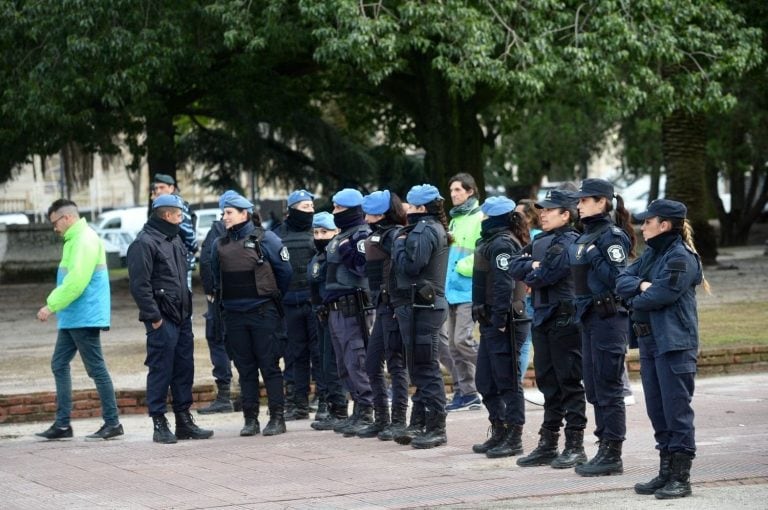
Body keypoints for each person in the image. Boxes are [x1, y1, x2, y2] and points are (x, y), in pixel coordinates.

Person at [616, 199, 706, 499]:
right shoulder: (653, 254)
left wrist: (636, 294)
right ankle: (666, 470)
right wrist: (642, 286)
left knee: (676, 410)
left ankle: (681, 476)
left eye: (647, 222)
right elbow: (621, 280)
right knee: (657, 410)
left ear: (664, 224)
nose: (642, 228)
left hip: (674, 343)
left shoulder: (680, 257)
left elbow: (662, 295)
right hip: (651, 341)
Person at [510, 189, 588, 469]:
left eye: (549, 210)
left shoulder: (570, 242)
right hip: (542, 318)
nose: (542, 213)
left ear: (566, 214)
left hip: (564, 320)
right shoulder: (540, 241)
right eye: (542, 209)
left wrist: (533, 269)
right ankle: (548, 443)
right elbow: (513, 266)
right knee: (547, 382)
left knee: (569, 382)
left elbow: (545, 276)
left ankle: (575, 445)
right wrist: (532, 263)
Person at [127, 193, 213, 444]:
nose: (181, 218)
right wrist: (154, 318)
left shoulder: (174, 240)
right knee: (161, 370)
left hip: (181, 317)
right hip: (162, 319)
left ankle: (183, 420)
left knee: (184, 369)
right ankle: (159, 422)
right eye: (178, 214)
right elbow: (139, 286)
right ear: (166, 215)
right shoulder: (144, 243)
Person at [34, 199, 123, 441]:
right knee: (59, 364)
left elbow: (76, 282)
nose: (55, 228)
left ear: (67, 218)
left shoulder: (83, 239)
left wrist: (50, 306)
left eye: (55, 222)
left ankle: (112, 422)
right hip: (74, 316)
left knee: (96, 369)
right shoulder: (75, 239)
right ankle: (63, 425)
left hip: (84, 316)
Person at [568, 178, 636, 476]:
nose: (578, 205)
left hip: (609, 318)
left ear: (602, 202)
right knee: (594, 386)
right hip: (589, 318)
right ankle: (602, 446)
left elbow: (617, 278)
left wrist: (595, 254)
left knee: (608, 385)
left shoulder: (611, 236)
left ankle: (613, 452)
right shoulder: (586, 234)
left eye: (584, 200)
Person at [211, 192, 293, 437]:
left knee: (269, 366)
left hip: (262, 313)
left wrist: (269, 295)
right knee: (245, 369)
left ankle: (277, 418)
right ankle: (250, 419)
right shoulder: (220, 244)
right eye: (224, 213)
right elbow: (217, 278)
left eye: (228, 213)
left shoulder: (266, 239)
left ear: (244, 213)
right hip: (235, 315)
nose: (224, 217)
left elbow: (285, 273)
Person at [469, 196, 531, 459]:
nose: (481, 220)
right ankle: (499, 427)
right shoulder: (490, 242)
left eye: (484, 216)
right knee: (485, 380)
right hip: (491, 321)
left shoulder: (504, 244)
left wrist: (500, 320)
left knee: (507, 381)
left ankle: (514, 435)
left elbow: (505, 284)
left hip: (505, 321)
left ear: (492, 218)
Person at [392, 184, 451, 449]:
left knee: (425, 367)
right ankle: (419, 421)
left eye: (409, 205)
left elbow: (412, 265)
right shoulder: (428, 227)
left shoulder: (423, 230)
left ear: (419, 207)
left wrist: (398, 246)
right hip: (419, 306)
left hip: (423, 307)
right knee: (418, 366)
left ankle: (436, 427)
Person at [355, 190, 410, 439]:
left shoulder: (394, 235)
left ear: (382, 214)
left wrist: (399, 303)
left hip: (393, 305)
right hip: (382, 304)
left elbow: (401, 271)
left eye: (371, 214)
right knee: (372, 362)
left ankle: (398, 419)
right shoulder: (379, 235)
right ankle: (382, 418)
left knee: (396, 362)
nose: (366, 219)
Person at [323, 188, 375, 435]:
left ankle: (367, 409)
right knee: (344, 363)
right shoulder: (342, 235)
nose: (334, 212)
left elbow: (363, 268)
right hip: (336, 308)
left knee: (357, 359)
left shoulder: (361, 234)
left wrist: (346, 249)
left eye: (339, 208)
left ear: (353, 210)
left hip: (353, 307)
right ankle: (358, 408)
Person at [273, 189, 319, 421]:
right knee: (294, 355)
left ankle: (324, 399)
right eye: (304, 208)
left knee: (319, 353)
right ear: (292, 210)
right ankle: (297, 403)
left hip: (313, 302)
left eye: (311, 207)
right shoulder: (277, 235)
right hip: (289, 303)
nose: (310, 211)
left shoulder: (317, 231)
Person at [443, 173, 484, 412]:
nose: (454, 195)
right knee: (452, 347)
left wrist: (461, 267)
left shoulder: (479, 217)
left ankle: (493, 374)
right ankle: (467, 393)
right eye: (451, 191)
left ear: (470, 191)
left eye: (458, 190)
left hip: (468, 289)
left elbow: (481, 251)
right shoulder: (454, 219)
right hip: (451, 290)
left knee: (462, 340)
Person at [308, 212, 349, 431]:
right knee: (325, 364)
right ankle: (333, 408)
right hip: (321, 315)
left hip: (337, 313)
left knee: (336, 363)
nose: (319, 236)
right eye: (316, 232)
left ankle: (341, 409)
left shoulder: (337, 254)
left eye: (324, 232)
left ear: (336, 232)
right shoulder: (317, 257)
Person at [197, 193, 233, 415]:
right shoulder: (256, 232)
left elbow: (206, 261)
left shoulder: (218, 231)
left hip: (220, 300)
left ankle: (224, 396)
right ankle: (240, 396)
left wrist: (211, 291)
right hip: (238, 299)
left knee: (218, 341)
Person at [514, 198, 545, 406]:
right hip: (524, 294)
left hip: (531, 294)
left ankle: (516, 383)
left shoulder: (535, 237)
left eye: (519, 213)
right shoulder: (525, 236)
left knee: (526, 342)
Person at [151, 173, 198, 289]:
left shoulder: (178, 205)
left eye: (162, 187)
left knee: (183, 297)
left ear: (171, 188)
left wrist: (191, 249)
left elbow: (188, 234)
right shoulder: (159, 206)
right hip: (166, 261)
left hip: (181, 259)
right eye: (156, 188)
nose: (158, 191)